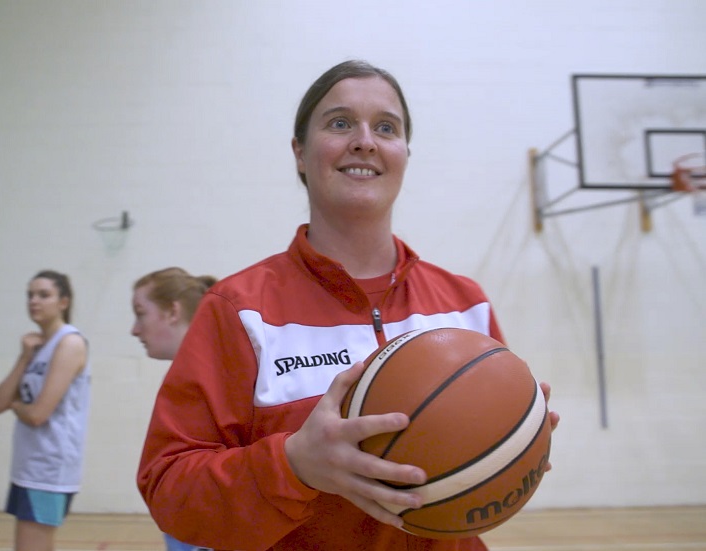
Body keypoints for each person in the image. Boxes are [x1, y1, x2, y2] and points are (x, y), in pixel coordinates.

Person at [137, 60, 561, 550]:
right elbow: (169, 489)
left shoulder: (465, 304)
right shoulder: (238, 310)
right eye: (340, 123)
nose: (365, 140)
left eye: (386, 127)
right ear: (299, 152)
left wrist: (512, 452)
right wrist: (294, 465)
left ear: (404, 152)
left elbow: (474, 489)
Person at [0, 270, 91, 551]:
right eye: (30, 295)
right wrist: (25, 356)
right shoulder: (37, 347)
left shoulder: (70, 342)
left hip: (50, 468)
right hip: (27, 466)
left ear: (64, 302)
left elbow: (38, 414)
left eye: (44, 295)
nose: (34, 301)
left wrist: (16, 405)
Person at [131, 267, 218, 551]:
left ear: (172, 312)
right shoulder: (186, 380)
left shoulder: (216, 381)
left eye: (141, 313)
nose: (134, 329)